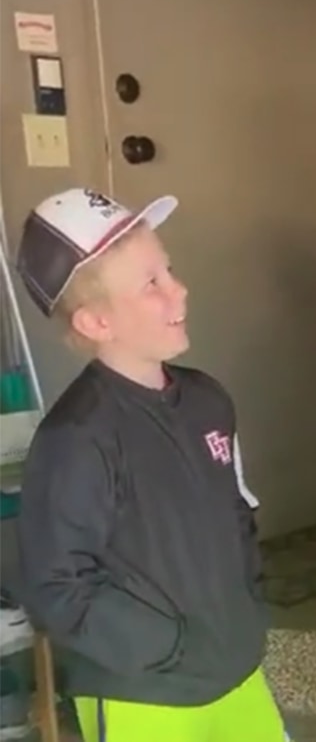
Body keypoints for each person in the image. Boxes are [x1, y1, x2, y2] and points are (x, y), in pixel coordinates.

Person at [14, 188, 289, 742]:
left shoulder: (210, 401)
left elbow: (237, 510)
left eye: (170, 269)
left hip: (237, 672)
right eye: (151, 284)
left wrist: (246, 609)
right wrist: (167, 646)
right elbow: (57, 584)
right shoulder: (75, 439)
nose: (179, 290)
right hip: (146, 697)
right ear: (96, 323)